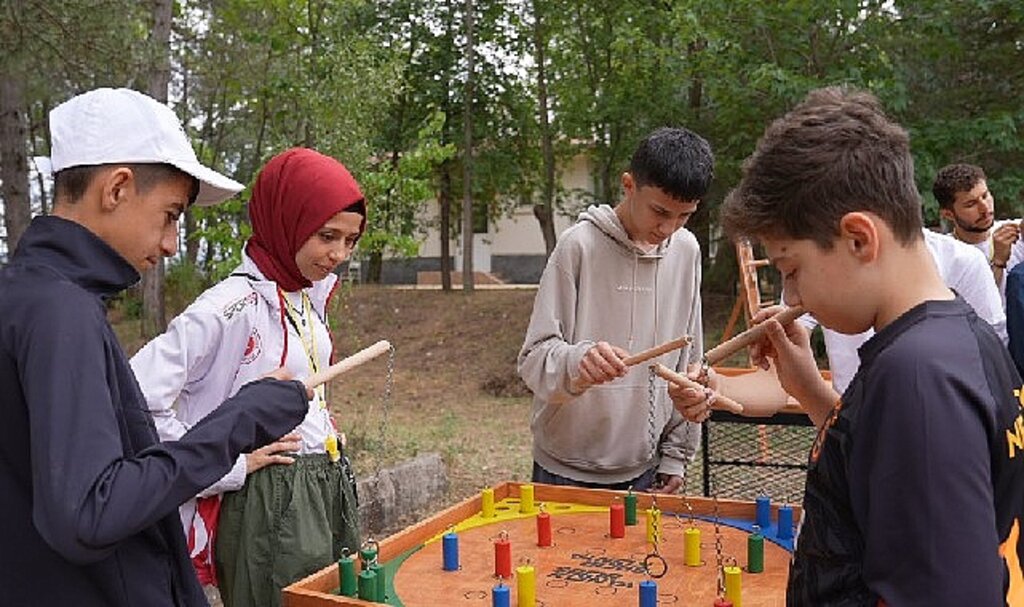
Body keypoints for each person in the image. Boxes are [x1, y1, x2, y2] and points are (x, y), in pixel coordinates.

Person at [703, 86, 1023, 605]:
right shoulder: (963, 340)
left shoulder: (916, 377)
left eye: (791, 270)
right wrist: (811, 393)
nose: (792, 297)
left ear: (858, 239)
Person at [0, 88, 309, 607]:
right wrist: (238, 421)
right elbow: (89, 513)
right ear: (117, 188)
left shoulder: (21, 296)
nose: (169, 244)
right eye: (170, 215)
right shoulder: (62, 312)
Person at [131, 147, 365, 607]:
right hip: (270, 499)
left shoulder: (304, 294)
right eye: (327, 236)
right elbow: (136, 397)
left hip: (325, 483)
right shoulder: (228, 306)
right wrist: (224, 464)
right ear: (287, 221)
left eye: (351, 240)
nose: (339, 254)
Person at [517, 127, 713, 493]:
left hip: (646, 469)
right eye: (659, 211)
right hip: (563, 469)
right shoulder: (579, 246)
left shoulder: (686, 251)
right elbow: (533, 360)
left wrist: (675, 456)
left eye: (683, 216)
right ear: (629, 185)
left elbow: (691, 363)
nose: (668, 228)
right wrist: (578, 361)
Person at [934, 163, 1023, 298]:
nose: (984, 208)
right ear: (948, 214)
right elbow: (978, 307)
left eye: (985, 196)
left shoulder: (1017, 232)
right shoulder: (944, 256)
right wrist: (998, 262)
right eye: (971, 204)